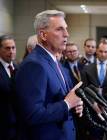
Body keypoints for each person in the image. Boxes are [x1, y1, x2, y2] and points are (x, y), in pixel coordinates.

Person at [15, 10, 83, 140]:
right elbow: (32, 114)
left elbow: (62, 100)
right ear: (43, 35)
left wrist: (74, 105)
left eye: (66, 29)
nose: (67, 34)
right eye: (59, 29)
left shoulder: (56, 63)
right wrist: (67, 104)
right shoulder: (34, 65)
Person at [81, 39, 107, 140]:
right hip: (92, 107)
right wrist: (93, 103)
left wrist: (106, 103)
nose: (103, 54)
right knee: (94, 135)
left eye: (106, 52)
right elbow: (84, 88)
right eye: (101, 51)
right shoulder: (87, 68)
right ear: (97, 51)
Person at [0, 35, 17, 140]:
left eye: (13, 48)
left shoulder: (19, 68)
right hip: (3, 126)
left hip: (19, 125)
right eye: (7, 48)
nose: (11, 51)